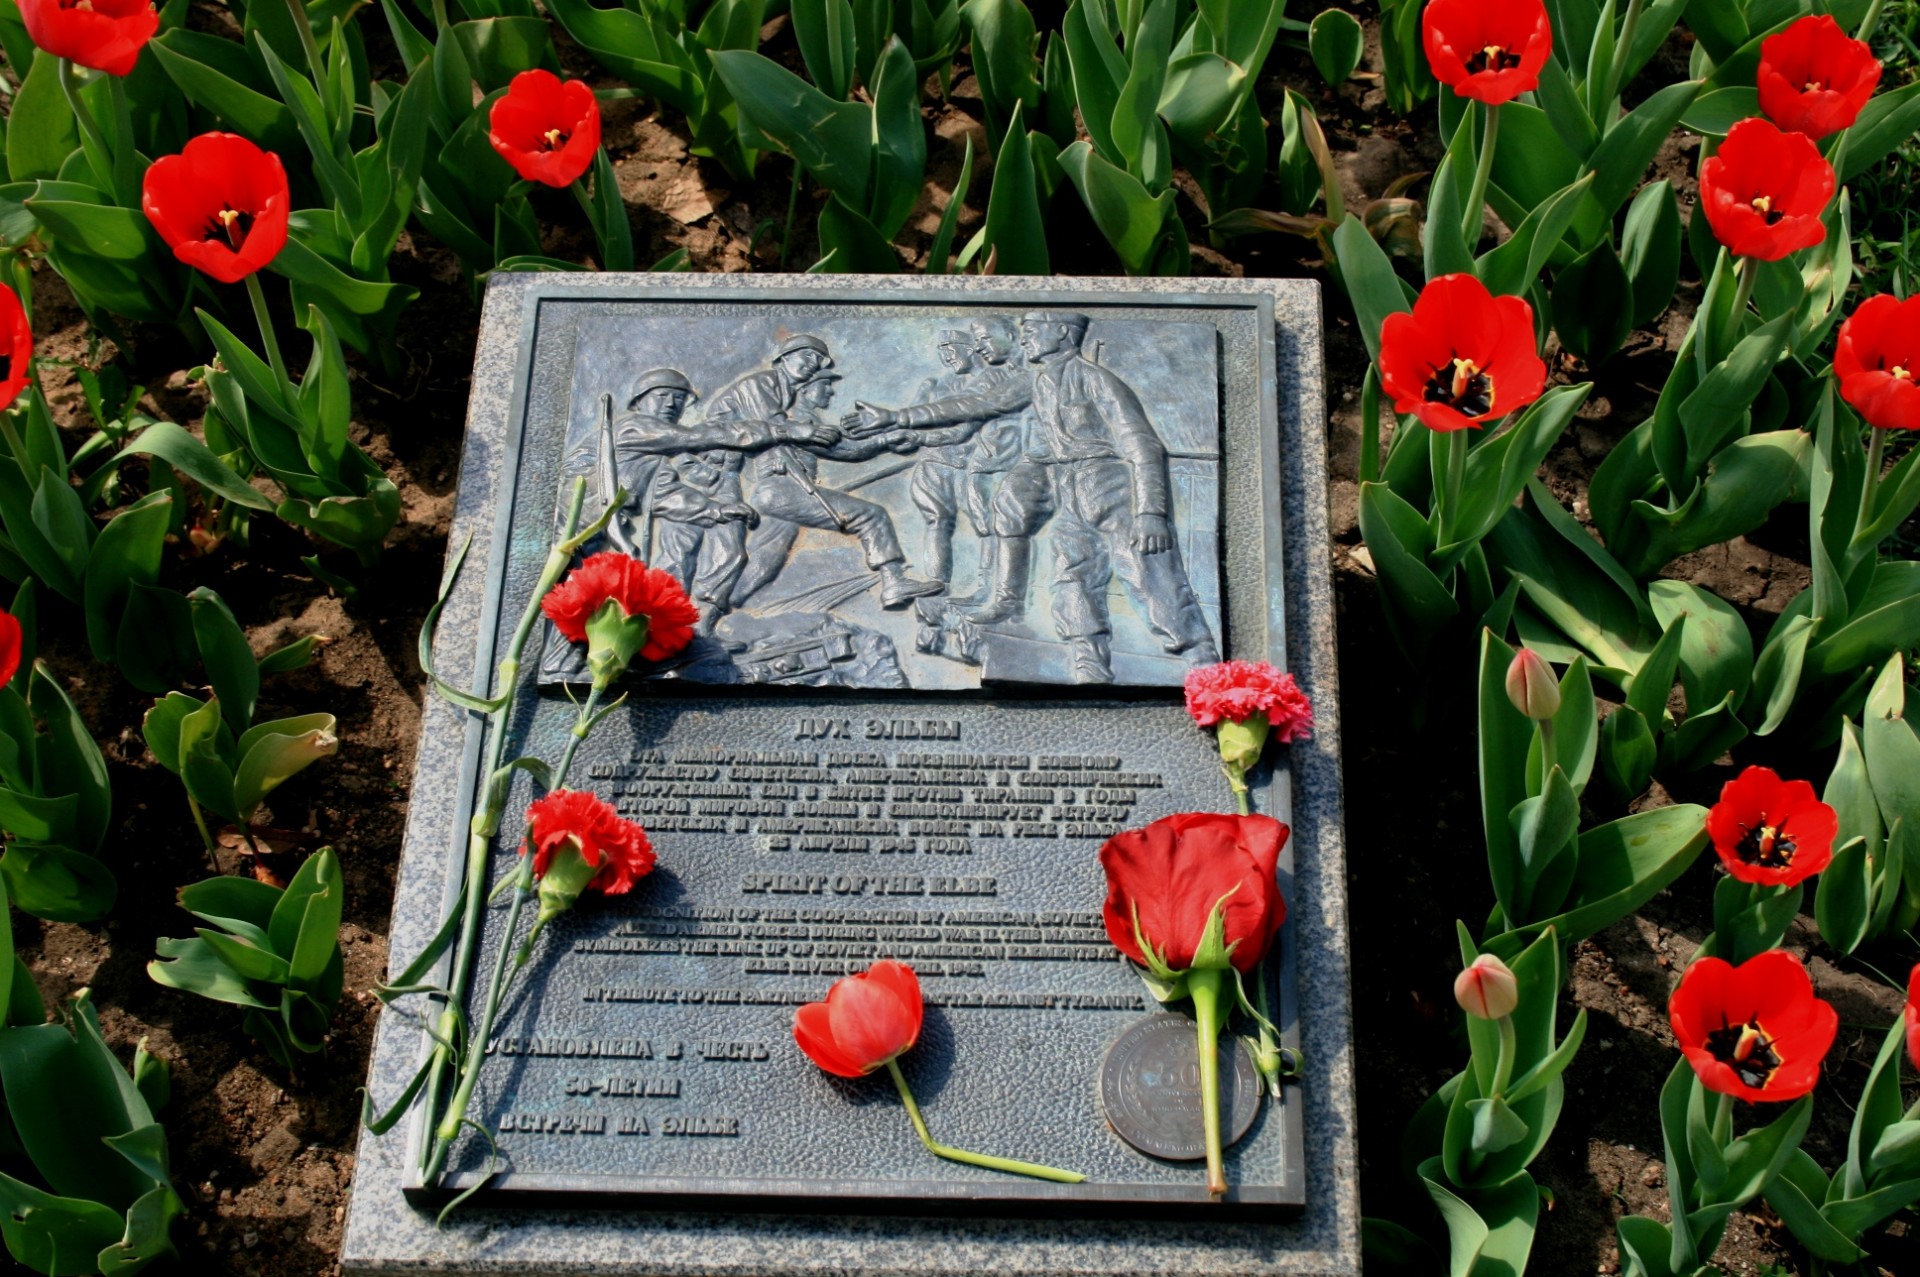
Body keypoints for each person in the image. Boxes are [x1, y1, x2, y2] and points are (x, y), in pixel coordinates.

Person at [841, 311, 1220, 683]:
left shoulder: (1096, 379)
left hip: (1109, 482)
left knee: (1146, 573)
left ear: (1062, 333)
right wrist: (896, 418)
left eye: (1033, 330)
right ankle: (1089, 665)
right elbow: (977, 404)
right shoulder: (1036, 382)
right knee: (1072, 575)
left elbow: (1142, 443)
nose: (1025, 338)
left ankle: (1202, 659)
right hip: (1066, 485)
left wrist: (1150, 511)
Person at [731, 372, 944, 610]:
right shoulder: (800, 419)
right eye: (824, 385)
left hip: (772, 495)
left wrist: (883, 441)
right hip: (786, 490)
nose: (830, 391)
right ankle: (893, 583)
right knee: (872, 515)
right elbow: (843, 449)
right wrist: (884, 441)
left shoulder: (798, 419)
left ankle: (721, 605)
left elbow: (846, 448)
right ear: (805, 389)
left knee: (766, 561)